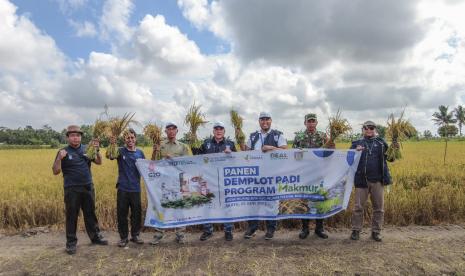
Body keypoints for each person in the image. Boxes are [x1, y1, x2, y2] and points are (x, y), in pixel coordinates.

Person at [52, 125, 108, 255]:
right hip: (71, 189)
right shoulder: (63, 151)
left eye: (78, 135)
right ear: (68, 137)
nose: (75, 138)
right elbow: (55, 171)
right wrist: (59, 158)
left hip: (88, 186)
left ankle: (95, 238)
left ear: (81, 137)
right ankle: (71, 243)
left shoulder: (87, 150)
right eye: (72, 135)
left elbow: (99, 162)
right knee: (71, 216)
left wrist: (96, 150)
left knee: (90, 213)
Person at [241, 112, 288, 240]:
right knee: (253, 202)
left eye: (267, 119)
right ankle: (252, 228)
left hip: (272, 175)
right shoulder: (253, 136)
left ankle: (271, 229)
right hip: (255, 175)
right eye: (262, 119)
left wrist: (271, 148)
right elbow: (246, 152)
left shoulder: (278, 135)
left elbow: (286, 151)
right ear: (259, 121)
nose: (265, 122)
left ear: (271, 120)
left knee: (271, 203)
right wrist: (241, 143)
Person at [292, 113, 333, 239]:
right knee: (304, 201)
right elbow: (294, 156)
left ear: (316, 123)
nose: (311, 123)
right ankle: (305, 229)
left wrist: (332, 142)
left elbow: (331, 152)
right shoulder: (299, 137)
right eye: (308, 121)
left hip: (320, 174)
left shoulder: (322, 136)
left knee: (320, 200)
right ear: (305, 123)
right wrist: (299, 154)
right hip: (305, 174)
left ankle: (319, 228)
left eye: (313, 121)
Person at [350, 121, 392, 242]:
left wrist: (395, 148)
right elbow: (348, 159)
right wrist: (355, 151)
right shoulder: (356, 143)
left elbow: (391, 158)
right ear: (362, 130)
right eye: (366, 128)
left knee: (379, 208)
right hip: (361, 180)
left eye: (371, 128)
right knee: (358, 207)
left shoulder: (382, 143)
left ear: (375, 129)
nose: (369, 130)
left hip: (378, 180)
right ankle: (356, 231)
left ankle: (376, 232)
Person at [150, 122, 192, 245]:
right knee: (161, 206)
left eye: (173, 129)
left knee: (178, 208)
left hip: (177, 181)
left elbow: (186, 165)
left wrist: (172, 159)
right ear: (165, 131)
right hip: (162, 181)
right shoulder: (160, 145)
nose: (171, 131)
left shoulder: (183, 147)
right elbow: (153, 163)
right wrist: (154, 151)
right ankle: (158, 234)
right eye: (169, 129)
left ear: (177, 131)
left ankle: (180, 234)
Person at [195, 121, 236, 241]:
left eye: (221, 129)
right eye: (216, 129)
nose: (218, 131)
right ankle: (208, 231)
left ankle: (228, 231)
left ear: (224, 131)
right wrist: (193, 143)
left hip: (224, 180)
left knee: (226, 205)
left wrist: (231, 154)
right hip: (207, 180)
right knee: (207, 205)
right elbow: (197, 157)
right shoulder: (206, 144)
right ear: (213, 131)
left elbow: (238, 161)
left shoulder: (230, 144)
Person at [108, 129, 145, 247]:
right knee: (122, 214)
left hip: (135, 188)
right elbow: (110, 155)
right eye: (128, 138)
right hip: (123, 188)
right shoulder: (120, 151)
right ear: (124, 140)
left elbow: (146, 167)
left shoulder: (140, 153)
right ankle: (123, 238)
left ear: (135, 139)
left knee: (136, 213)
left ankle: (135, 235)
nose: (130, 140)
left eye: (132, 137)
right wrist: (112, 143)